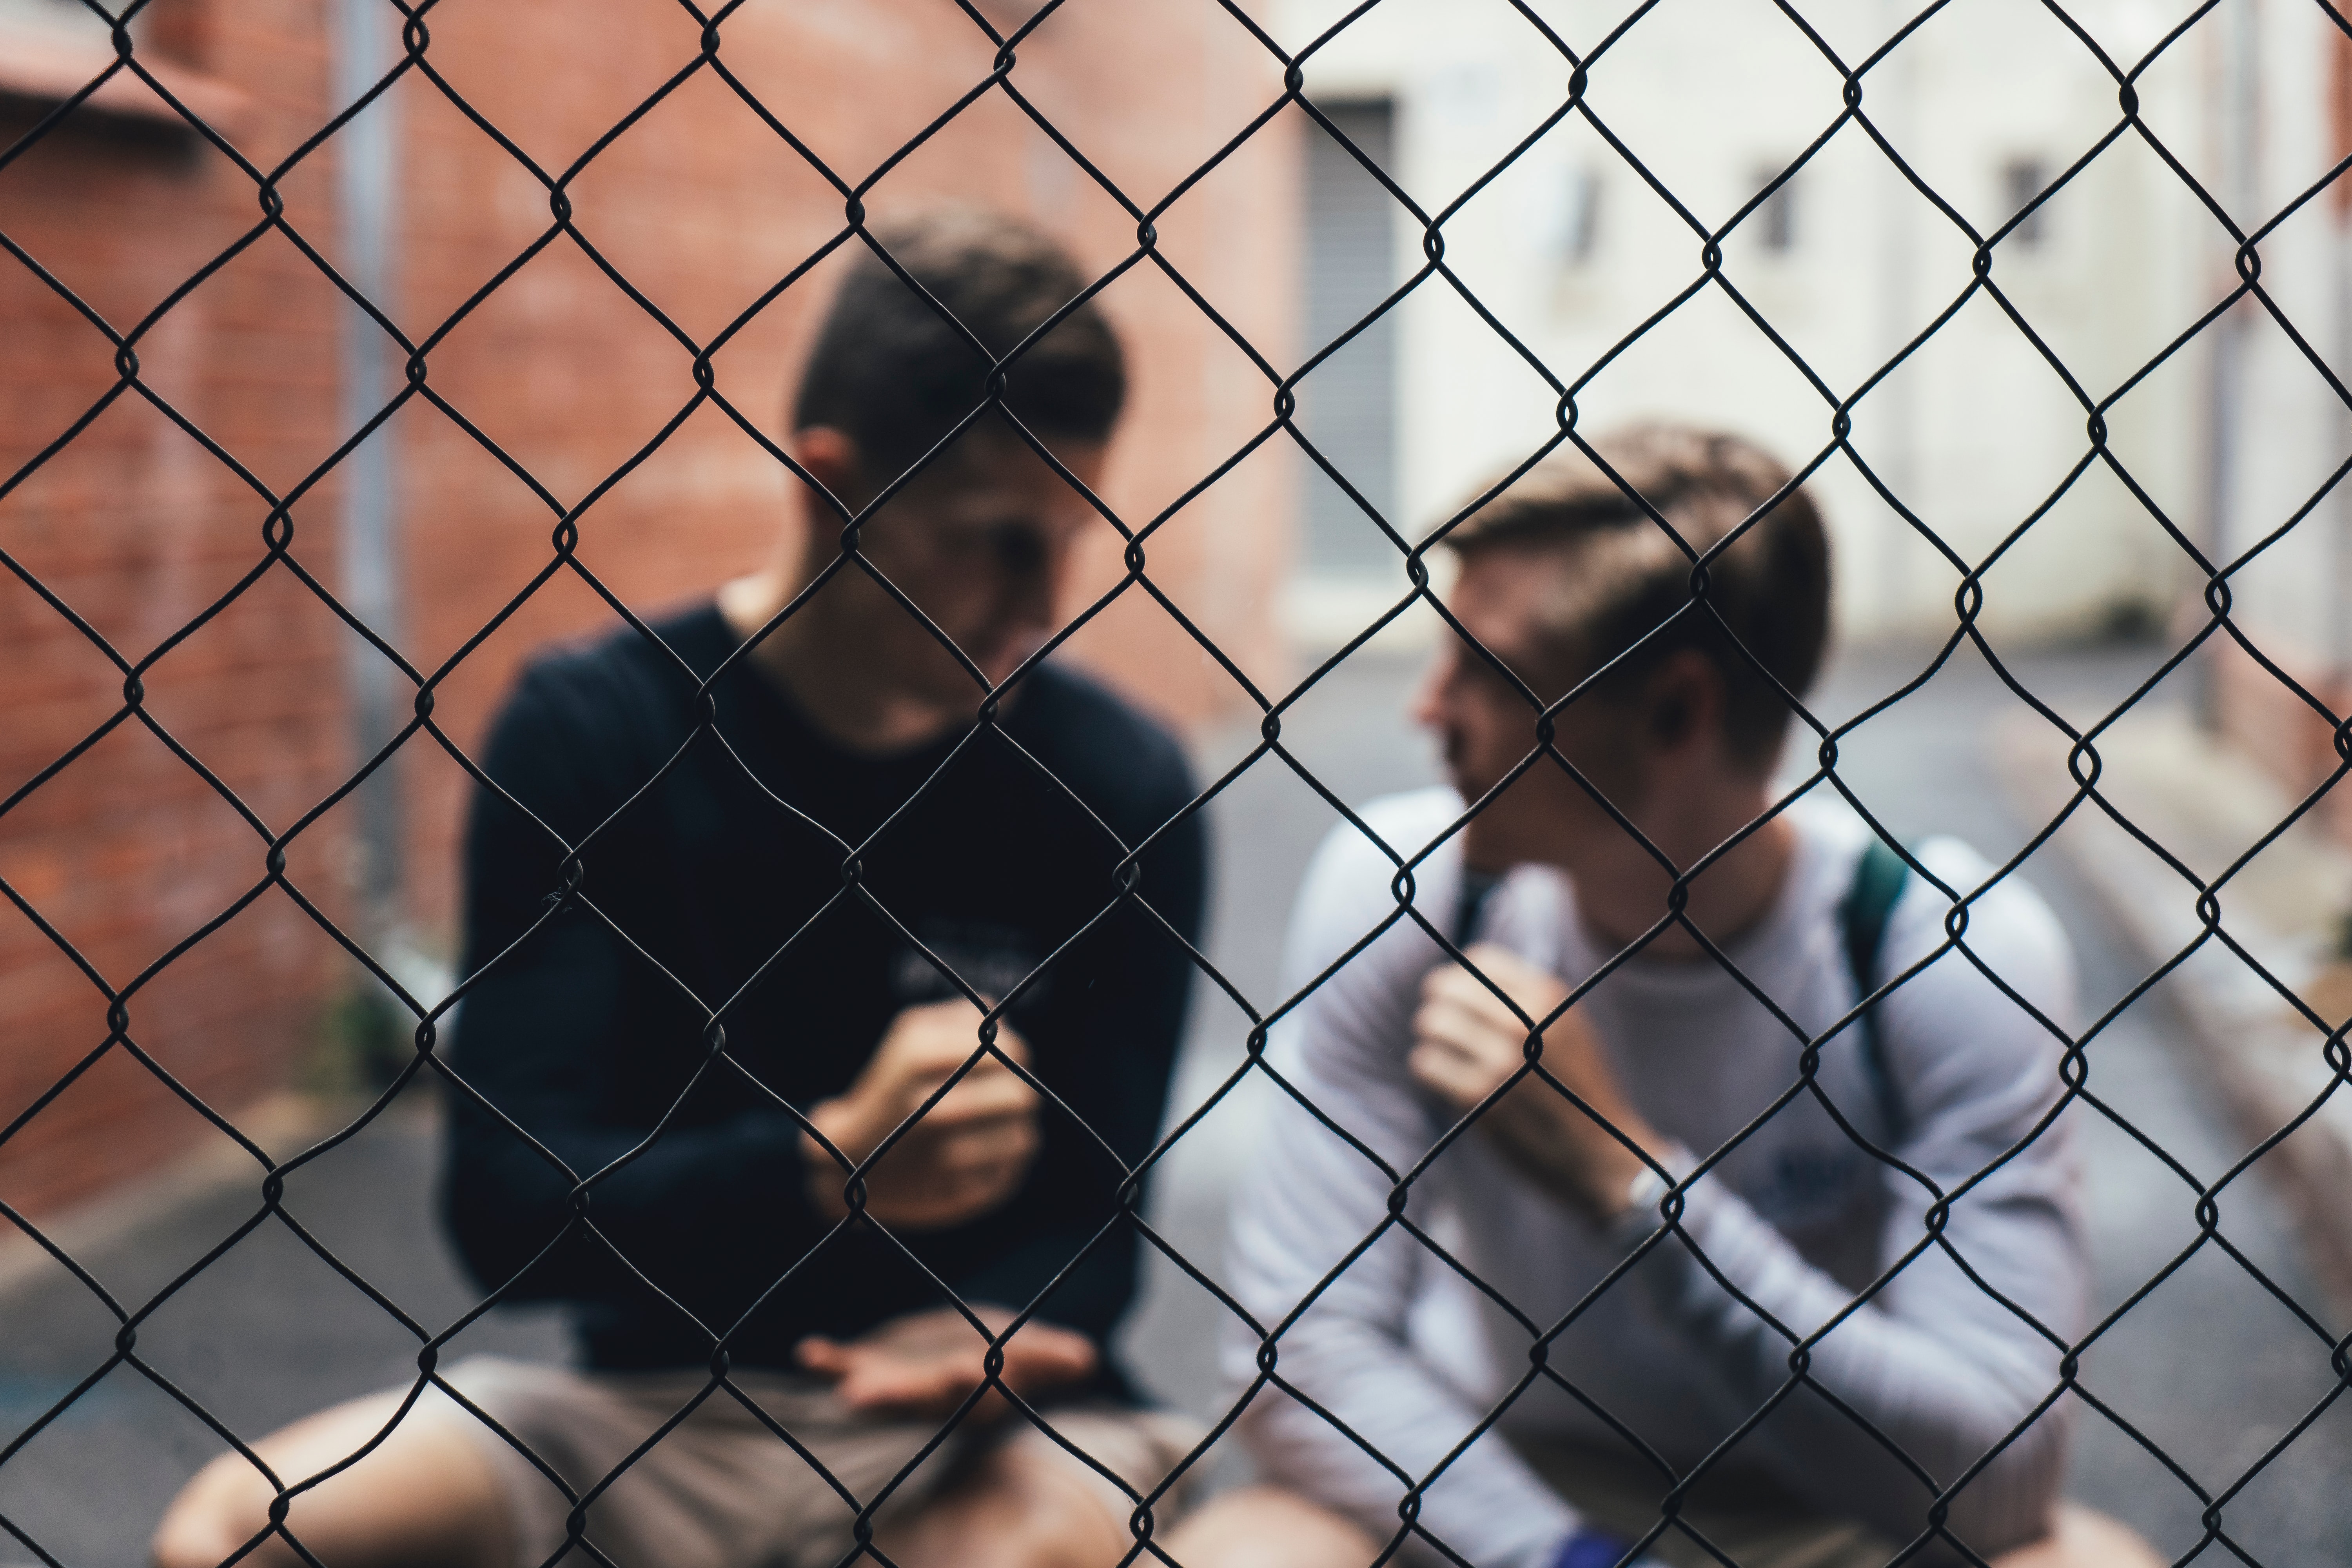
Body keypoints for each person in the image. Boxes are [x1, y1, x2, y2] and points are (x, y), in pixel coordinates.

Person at [152, 209, 1221, 1568]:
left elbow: (1101, 1222)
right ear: (831, 488)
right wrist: (821, 1173)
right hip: (649, 1411)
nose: (1048, 597)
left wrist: (1013, 1326)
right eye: (997, 541)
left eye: (1075, 536)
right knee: (239, 1532)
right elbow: (506, 1207)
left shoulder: (1117, 783)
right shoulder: (604, 731)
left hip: (984, 1432)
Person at [1218, 427, 2158, 1568]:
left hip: (1831, 1504)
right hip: (1505, 1481)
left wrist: (1636, 1189)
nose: (1428, 709)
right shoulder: (1408, 892)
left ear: (1676, 714)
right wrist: (1566, 1559)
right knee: (1249, 1548)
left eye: (1490, 671)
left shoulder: (1932, 949)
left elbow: (2002, 1482)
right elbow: (1298, 1356)